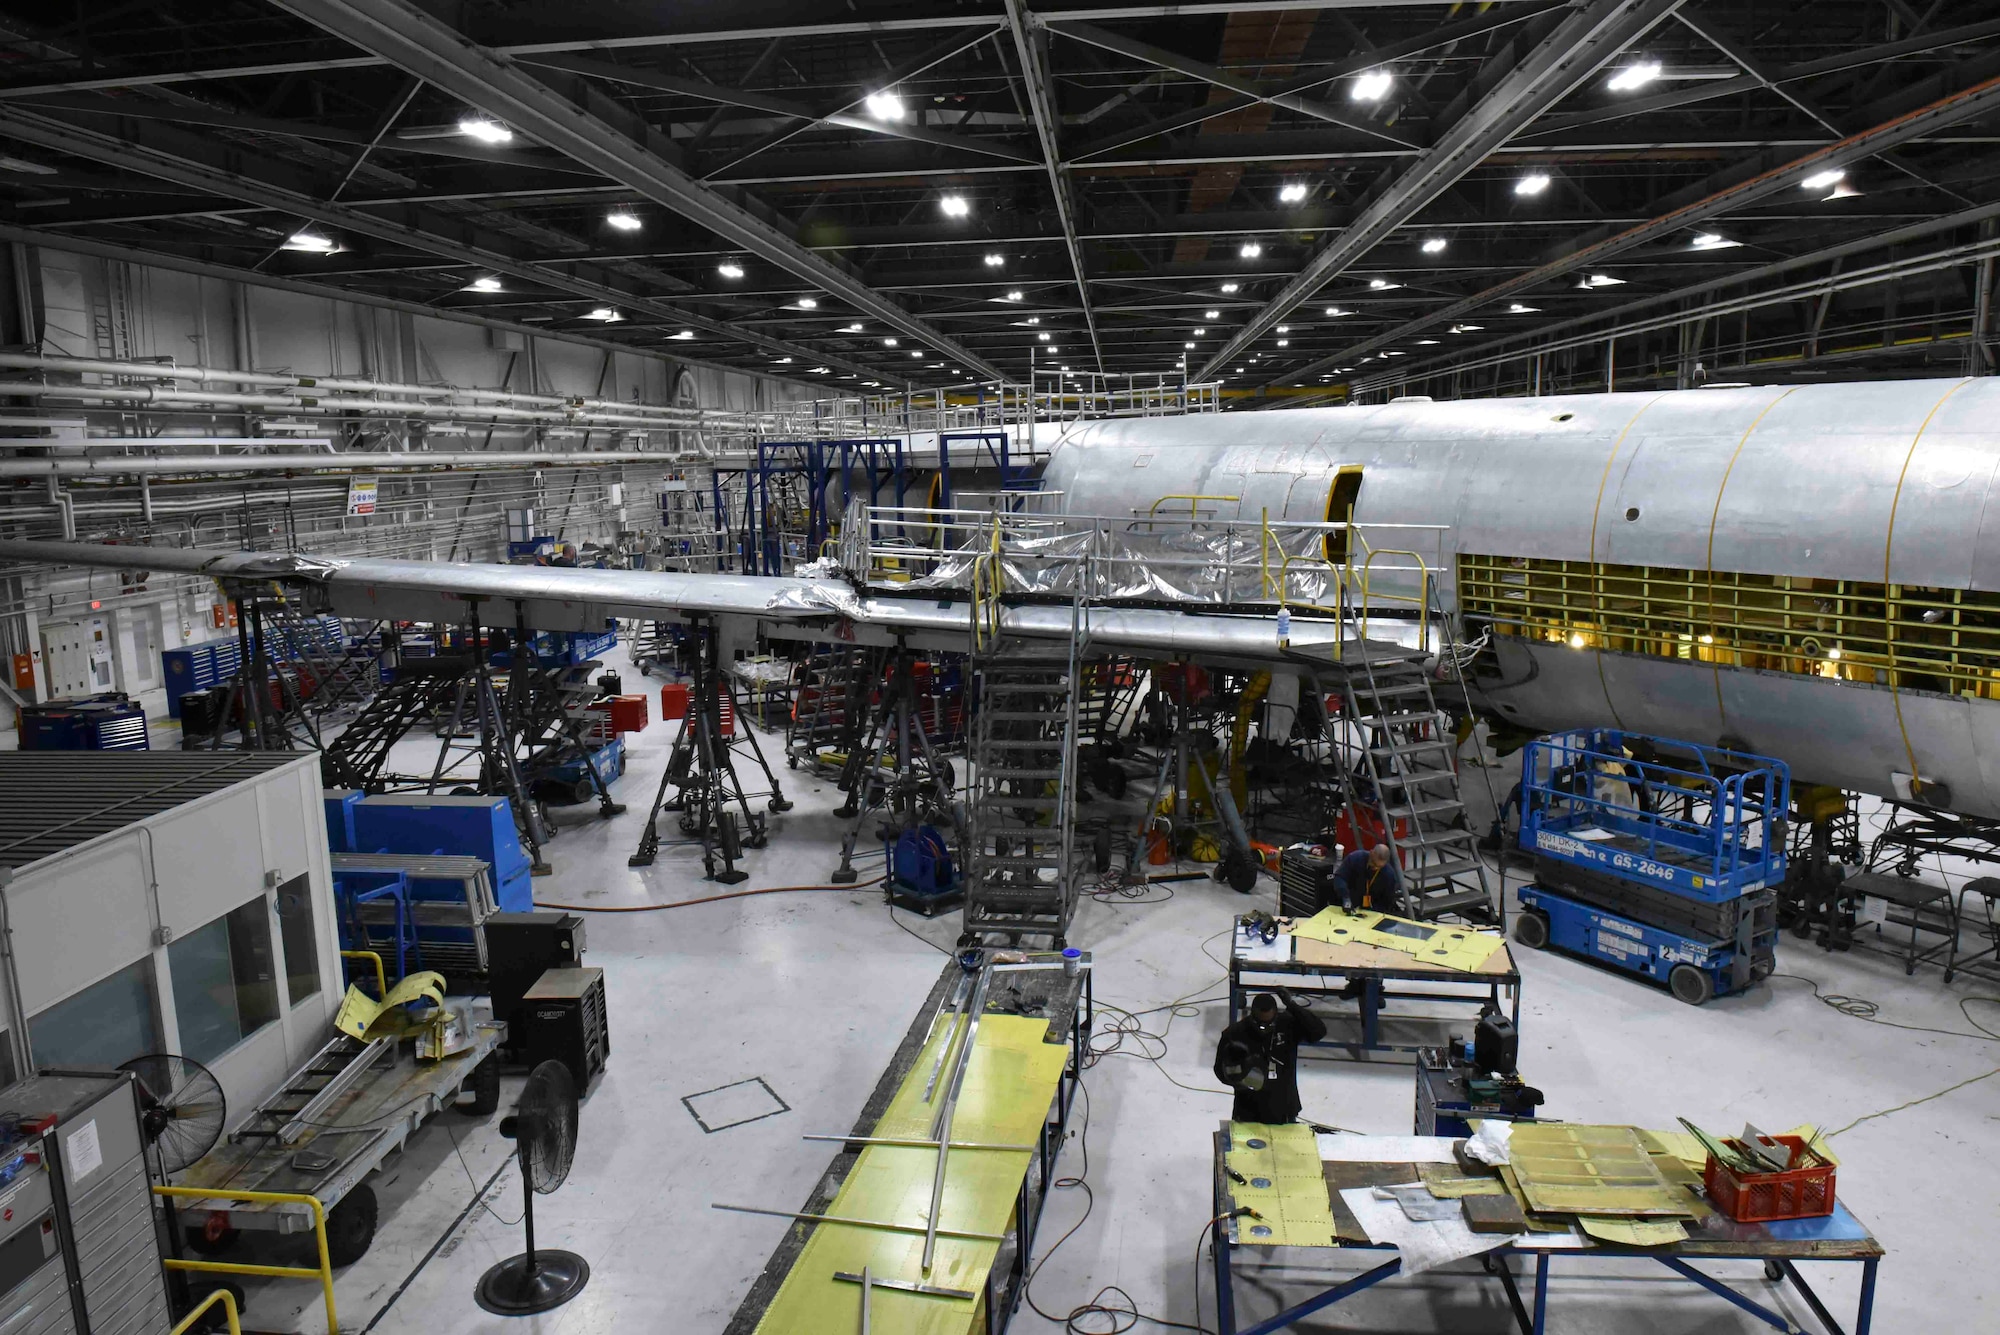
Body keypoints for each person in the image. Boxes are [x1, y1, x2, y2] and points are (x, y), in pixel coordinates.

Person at [1212, 990, 1326, 1124]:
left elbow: (1318, 1032)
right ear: (1252, 1015)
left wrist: (1292, 1006)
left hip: (1283, 1107)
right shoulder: (1234, 1034)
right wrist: (1240, 1078)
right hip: (1248, 1109)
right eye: (1259, 1024)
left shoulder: (1288, 1025)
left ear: (1276, 1015)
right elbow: (1220, 1071)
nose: (1263, 1029)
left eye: (1269, 1024)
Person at [1336, 843, 1404, 915]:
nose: (1375, 868)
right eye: (1374, 863)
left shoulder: (1389, 874)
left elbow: (1387, 900)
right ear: (1371, 853)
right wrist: (1345, 897)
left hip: (1372, 911)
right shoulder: (1355, 858)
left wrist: (1374, 911)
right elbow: (1339, 877)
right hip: (1350, 903)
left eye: (1379, 867)